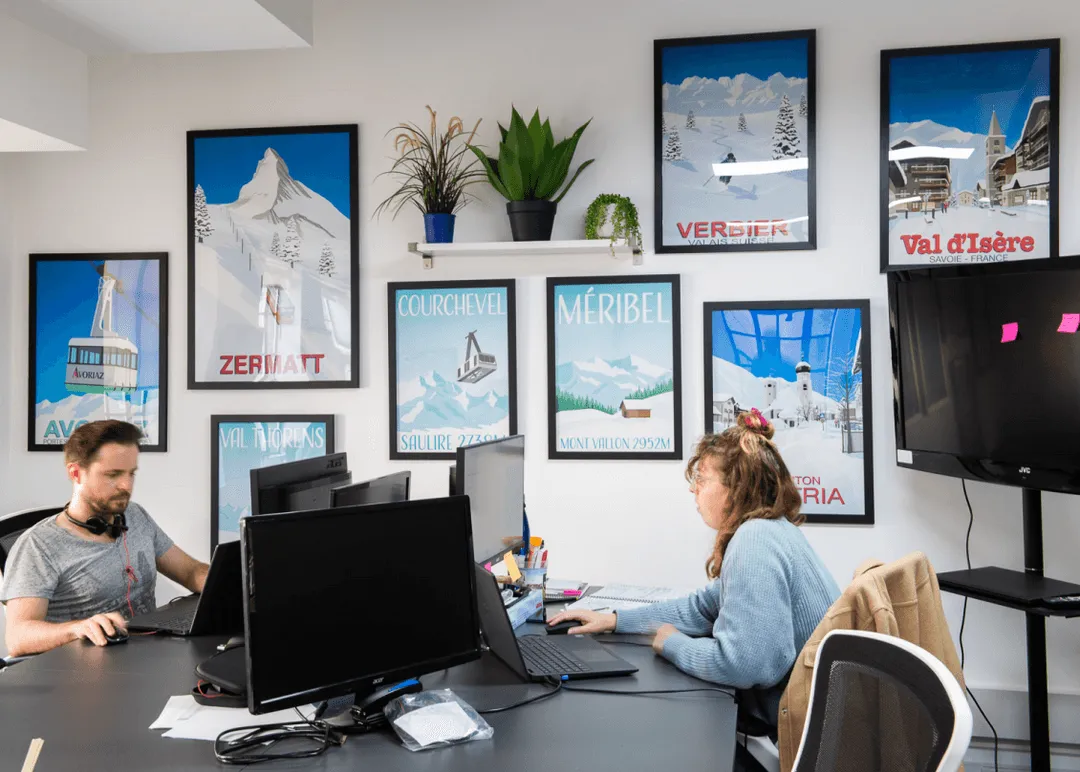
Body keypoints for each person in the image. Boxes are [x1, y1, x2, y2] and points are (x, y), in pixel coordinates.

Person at [549, 408, 840, 731]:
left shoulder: (755, 540)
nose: (693, 489)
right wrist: (615, 620)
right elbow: (704, 607)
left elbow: (745, 664)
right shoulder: (771, 529)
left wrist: (673, 643)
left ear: (737, 487)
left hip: (801, 732)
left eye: (702, 479)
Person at [2, 420, 209, 656]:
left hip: (145, 658)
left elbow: (190, 571)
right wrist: (77, 629)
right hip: (82, 675)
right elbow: (18, 638)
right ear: (76, 472)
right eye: (113, 474)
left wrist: (238, 582)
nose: (126, 485)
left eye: (131, 473)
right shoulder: (38, 546)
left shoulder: (134, 515)